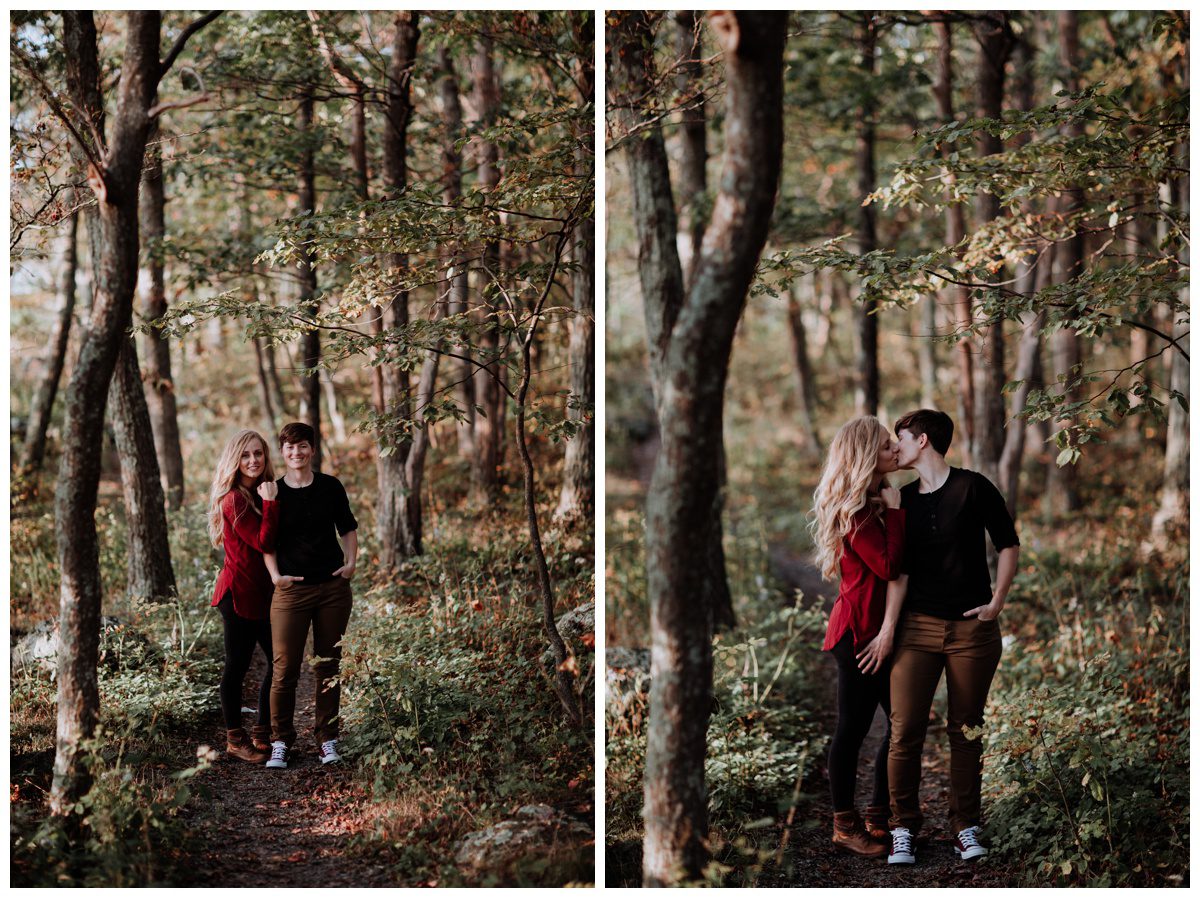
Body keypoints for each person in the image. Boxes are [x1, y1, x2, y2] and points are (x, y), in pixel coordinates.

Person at [875, 409, 1020, 866]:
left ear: (922, 441)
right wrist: (889, 627)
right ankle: (903, 828)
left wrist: (997, 600)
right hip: (917, 629)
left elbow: (1008, 542)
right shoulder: (900, 498)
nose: (895, 449)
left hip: (972, 630)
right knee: (904, 731)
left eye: (900, 439)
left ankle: (965, 826)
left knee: (966, 729)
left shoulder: (972, 486)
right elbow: (895, 568)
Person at [811, 416, 905, 857]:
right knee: (853, 728)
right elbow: (888, 568)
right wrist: (898, 509)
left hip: (872, 628)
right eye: (887, 446)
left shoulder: (869, 505)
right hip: (858, 633)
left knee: (903, 722)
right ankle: (846, 825)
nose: (894, 450)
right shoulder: (858, 513)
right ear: (869, 454)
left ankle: (876, 813)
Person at [262, 422, 358, 770]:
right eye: (289, 447)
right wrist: (275, 577)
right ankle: (280, 742)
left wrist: (351, 564)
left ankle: (327, 739)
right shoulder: (272, 492)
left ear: (312, 449)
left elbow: (347, 527)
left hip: (332, 589)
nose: (296, 453)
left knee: (328, 665)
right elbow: (266, 541)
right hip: (291, 593)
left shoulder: (330, 486)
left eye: (302, 446)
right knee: (284, 669)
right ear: (282, 451)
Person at [207, 429, 280, 764]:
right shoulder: (235, 499)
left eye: (258, 454)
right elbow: (264, 542)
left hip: (263, 593)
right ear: (235, 460)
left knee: (280, 663)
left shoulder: (262, 491)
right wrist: (271, 502)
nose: (253, 460)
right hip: (237, 595)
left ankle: (263, 732)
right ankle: (235, 739)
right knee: (237, 667)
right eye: (246, 455)